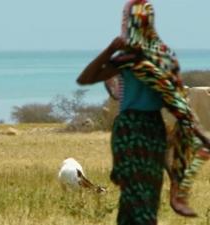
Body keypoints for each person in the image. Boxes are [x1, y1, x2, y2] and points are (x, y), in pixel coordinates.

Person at [77, 0, 210, 224]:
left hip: (131, 132)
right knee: (142, 198)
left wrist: (110, 49)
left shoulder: (128, 57)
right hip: (150, 132)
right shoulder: (162, 56)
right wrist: (197, 133)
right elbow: (175, 101)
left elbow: (86, 77)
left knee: (137, 200)